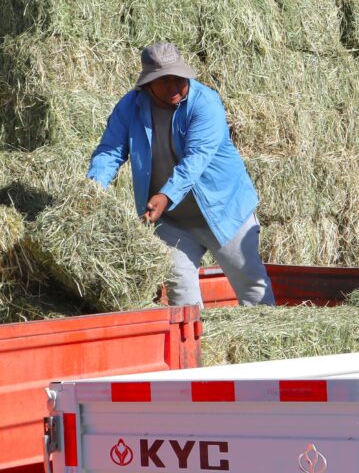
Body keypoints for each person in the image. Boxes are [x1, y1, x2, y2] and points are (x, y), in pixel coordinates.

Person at [87, 41, 275, 307]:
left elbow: (196, 160)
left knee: (252, 285)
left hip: (224, 210)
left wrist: (165, 194)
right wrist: (93, 189)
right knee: (181, 295)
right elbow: (110, 151)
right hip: (173, 221)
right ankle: (194, 347)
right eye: (164, 81)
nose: (173, 87)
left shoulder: (205, 103)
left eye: (179, 79)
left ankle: (263, 343)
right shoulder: (129, 108)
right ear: (148, 83)